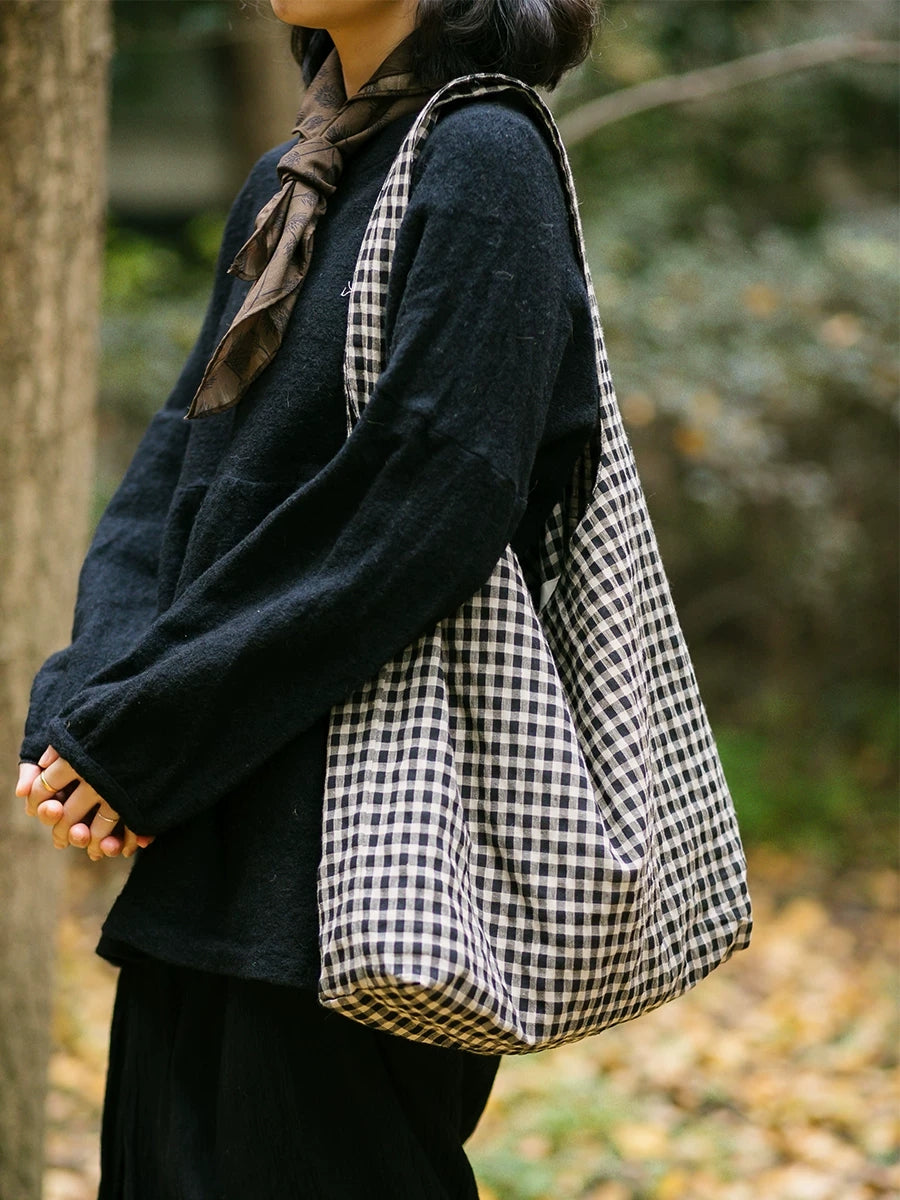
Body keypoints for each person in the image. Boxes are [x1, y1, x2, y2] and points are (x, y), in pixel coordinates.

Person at [18, 0, 600, 1196]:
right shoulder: (298, 175)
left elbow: (425, 504)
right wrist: (92, 705)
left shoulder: (486, 157)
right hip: (210, 831)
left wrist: (155, 725)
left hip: (359, 859)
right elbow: (174, 472)